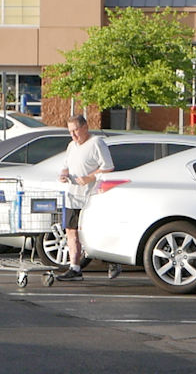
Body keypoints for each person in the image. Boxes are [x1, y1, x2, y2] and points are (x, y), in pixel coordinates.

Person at [56, 114, 118, 281]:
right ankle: (75, 268)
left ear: (85, 127)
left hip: (91, 197)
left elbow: (108, 167)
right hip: (72, 196)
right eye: (70, 131)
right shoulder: (71, 146)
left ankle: (113, 260)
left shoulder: (96, 143)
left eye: (76, 130)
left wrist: (90, 178)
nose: (73, 135)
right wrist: (63, 175)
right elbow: (65, 167)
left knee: (94, 232)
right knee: (71, 232)